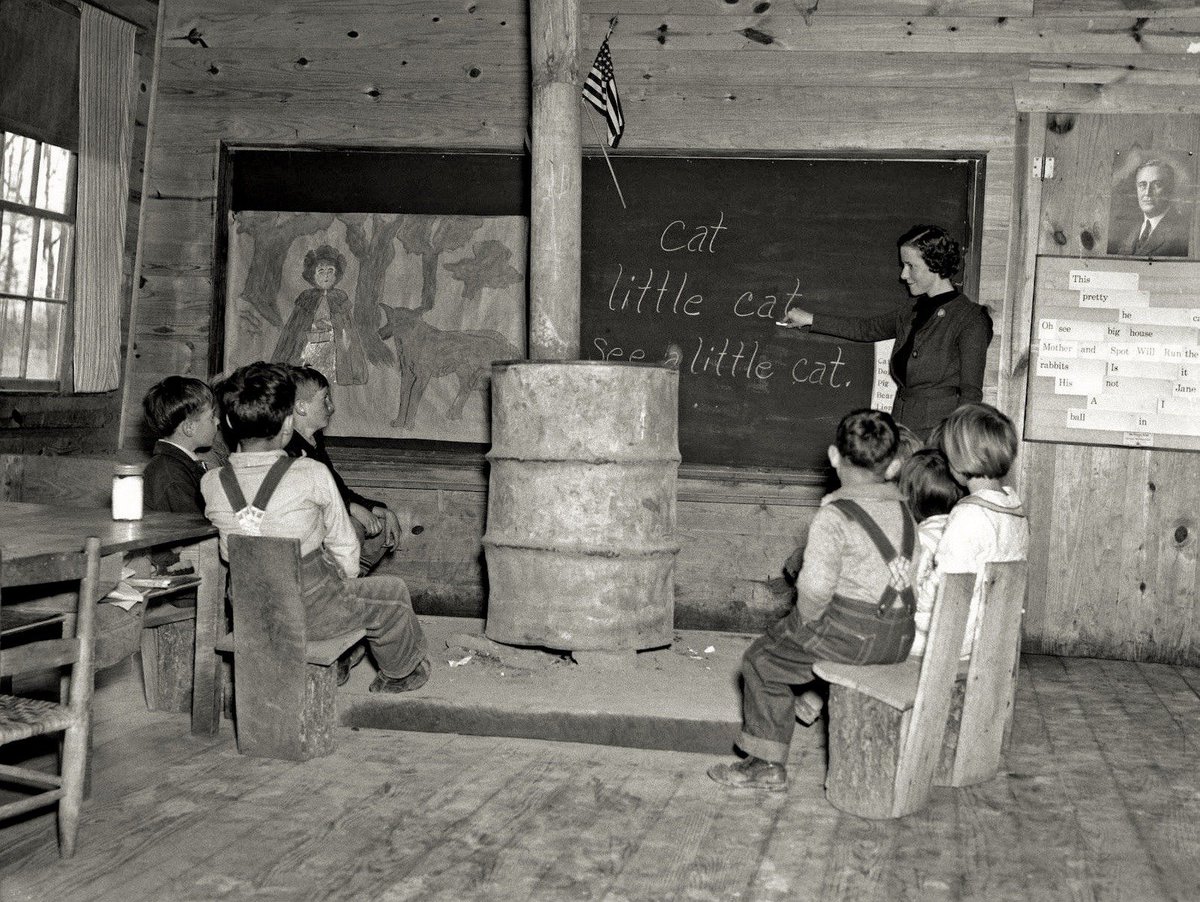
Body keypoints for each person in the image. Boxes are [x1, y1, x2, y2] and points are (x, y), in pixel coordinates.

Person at [708, 409, 917, 791]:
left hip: (852, 634)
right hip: (900, 637)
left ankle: (766, 765)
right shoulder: (904, 511)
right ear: (894, 466)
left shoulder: (834, 517)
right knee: (799, 647)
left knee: (762, 660)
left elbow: (816, 589)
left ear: (835, 456)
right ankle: (810, 695)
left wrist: (801, 622)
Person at [201, 362, 429, 692]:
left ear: (229, 422)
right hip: (311, 609)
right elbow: (348, 554)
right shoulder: (310, 474)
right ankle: (401, 673)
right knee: (392, 594)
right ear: (288, 423)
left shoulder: (211, 483)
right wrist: (342, 585)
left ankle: (334, 660)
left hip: (251, 613)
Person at [780, 225, 992, 439]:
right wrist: (810, 319)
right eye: (903, 265)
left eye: (910, 265)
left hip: (939, 436)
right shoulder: (911, 311)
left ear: (934, 265)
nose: (903, 275)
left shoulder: (970, 319)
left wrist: (956, 444)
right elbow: (866, 329)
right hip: (901, 428)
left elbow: (971, 393)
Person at [286, 365, 410, 575]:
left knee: (381, 523)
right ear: (301, 407)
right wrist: (351, 509)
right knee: (352, 528)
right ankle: (338, 584)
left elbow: (338, 488)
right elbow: (303, 499)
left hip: (327, 519)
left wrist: (377, 509)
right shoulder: (287, 446)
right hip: (304, 530)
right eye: (324, 399)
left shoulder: (315, 441)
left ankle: (350, 580)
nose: (331, 407)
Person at [933, 403, 1029, 659]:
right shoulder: (1015, 511)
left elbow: (945, 590)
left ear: (959, 459)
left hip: (954, 642)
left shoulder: (967, 516)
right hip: (994, 641)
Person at [898, 448, 966, 658]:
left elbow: (907, 600)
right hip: (964, 636)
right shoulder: (965, 532)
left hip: (927, 641)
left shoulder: (916, 541)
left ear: (908, 500)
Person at [271, 244, 367, 385]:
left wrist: (332, 325)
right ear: (312, 274)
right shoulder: (306, 297)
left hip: (333, 349)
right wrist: (314, 325)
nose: (326, 276)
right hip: (310, 349)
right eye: (321, 271)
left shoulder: (340, 297)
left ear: (336, 274)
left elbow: (347, 327)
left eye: (330, 271)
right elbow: (296, 326)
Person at [141, 376, 220, 515]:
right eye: (211, 417)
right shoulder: (172, 476)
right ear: (189, 427)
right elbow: (195, 528)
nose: (217, 421)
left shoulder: (180, 464)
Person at [1111, 159, 1190, 258]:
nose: (1147, 192)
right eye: (1142, 185)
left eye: (1157, 184)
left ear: (1170, 189)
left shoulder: (1183, 233)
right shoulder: (1131, 231)